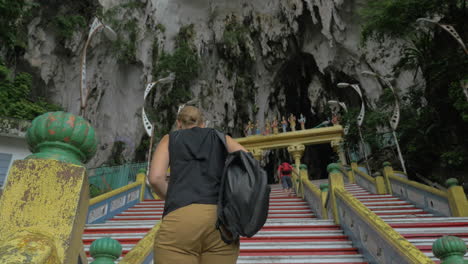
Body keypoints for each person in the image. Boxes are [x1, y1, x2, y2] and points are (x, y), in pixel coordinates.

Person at [149, 105, 247, 264]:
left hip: (181, 219)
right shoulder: (220, 137)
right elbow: (248, 162)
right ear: (203, 124)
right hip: (221, 221)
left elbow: (156, 178)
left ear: (179, 123)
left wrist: (174, 195)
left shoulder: (171, 138)